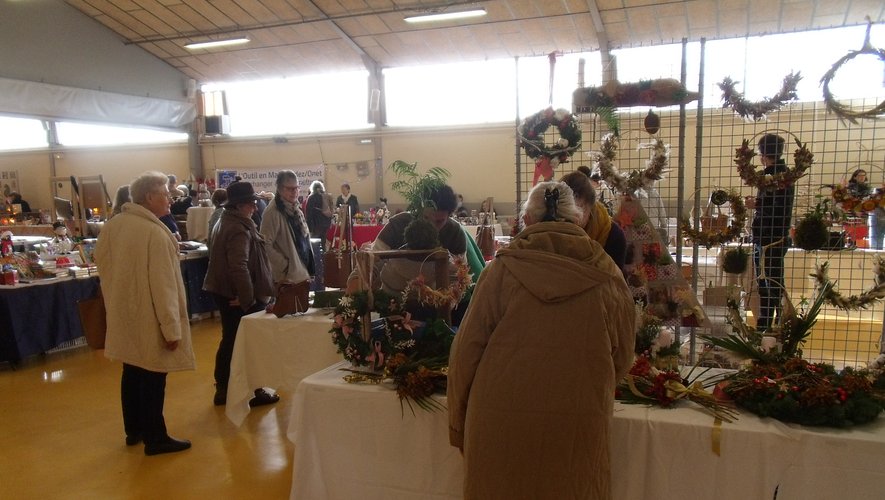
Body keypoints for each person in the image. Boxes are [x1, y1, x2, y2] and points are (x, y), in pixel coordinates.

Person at [447, 181, 635, 499]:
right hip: (577, 425)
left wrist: (457, 426)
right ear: (579, 220)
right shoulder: (609, 276)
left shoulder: (500, 273)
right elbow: (623, 359)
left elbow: (465, 355)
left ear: (527, 221)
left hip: (498, 422)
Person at [94, 171, 195, 456]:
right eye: (165, 194)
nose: (169, 199)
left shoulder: (114, 226)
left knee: (132, 369)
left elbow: (104, 268)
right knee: (153, 374)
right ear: (149, 197)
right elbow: (163, 287)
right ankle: (156, 436)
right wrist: (171, 329)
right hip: (150, 316)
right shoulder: (154, 233)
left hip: (124, 313)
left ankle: (134, 429)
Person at [203, 180, 278, 407]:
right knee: (247, 342)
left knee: (231, 340)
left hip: (226, 291)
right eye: (250, 204)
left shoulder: (227, 221)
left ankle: (225, 388)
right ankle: (251, 390)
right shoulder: (238, 227)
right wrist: (248, 298)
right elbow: (239, 266)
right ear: (238, 206)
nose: (254, 207)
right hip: (236, 294)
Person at [350, 184, 466, 297]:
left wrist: (446, 303)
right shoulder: (398, 225)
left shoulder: (455, 233)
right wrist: (350, 305)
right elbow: (369, 265)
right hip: (392, 298)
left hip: (432, 299)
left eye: (439, 221)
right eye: (426, 218)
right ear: (418, 211)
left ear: (449, 215)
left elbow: (459, 275)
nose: (432, 227)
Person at [749, 133, 795, 332]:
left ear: (762, 154)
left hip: (771, 238)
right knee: (767, 284)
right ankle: (766, 326)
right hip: (767, 237)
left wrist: (756, 203)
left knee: (771, 284)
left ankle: (776, 326)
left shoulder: (779, 175)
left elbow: (778, 207)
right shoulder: (775, 173)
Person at [561, 170, 628, 272]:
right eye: (565, 210)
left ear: (591, 206)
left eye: (580, 209)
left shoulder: (613, 235)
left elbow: (617, 282)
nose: (573, 217)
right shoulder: (551, 229)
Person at [260, 170, 316, 288]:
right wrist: (285, 265)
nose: (295, 192)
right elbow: (264, 245)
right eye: (290, 189)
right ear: (280, 189)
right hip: (286, 279)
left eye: (297, 188)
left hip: (301, 275)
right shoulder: (272, 212)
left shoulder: (296, 210)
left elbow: (304, 240)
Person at [305, 180, 334, 250]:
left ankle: (316, 259)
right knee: (323, 242)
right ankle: (324, 258)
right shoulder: (327, 196)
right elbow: (331, 210)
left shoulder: (311, 197)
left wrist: (309, 227)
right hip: (326, 224)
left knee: (314, 245)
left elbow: (309, 213)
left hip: (316, 225)